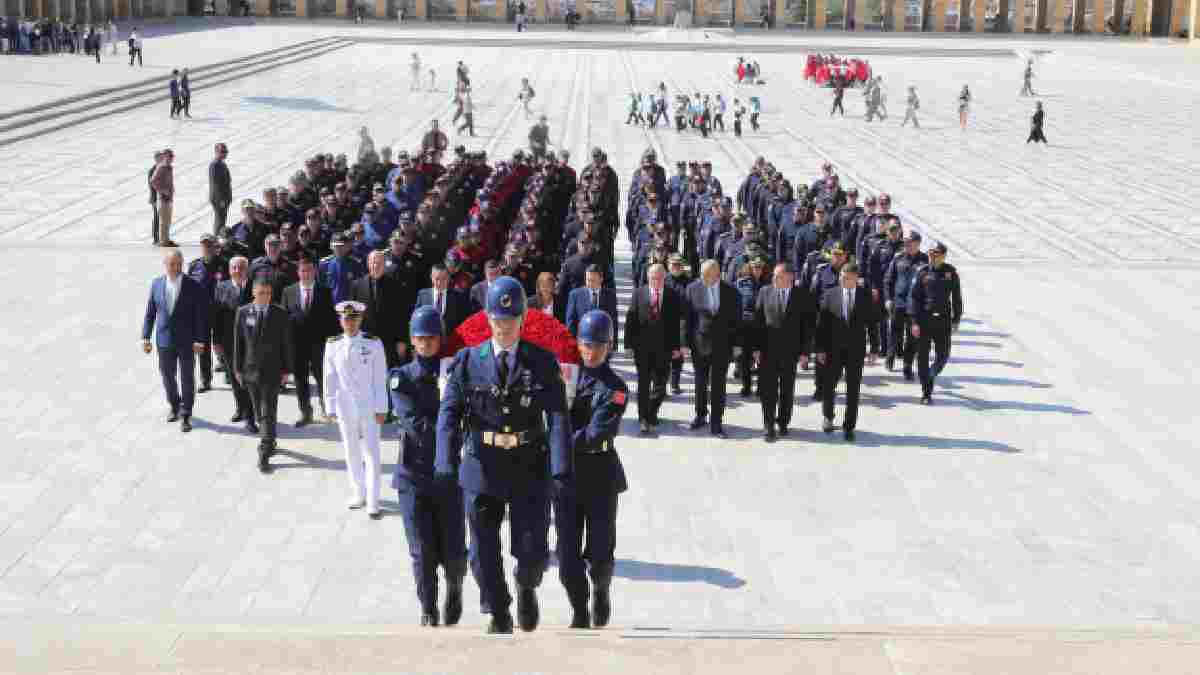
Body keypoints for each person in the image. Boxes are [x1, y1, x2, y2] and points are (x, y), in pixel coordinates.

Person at [435, 277, 572, 634]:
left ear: (522, 320)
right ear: (488, 320)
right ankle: (498, 609)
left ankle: (526, 587)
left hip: (528, 463)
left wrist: (560, 467)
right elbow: (449, 414)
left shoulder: (541, 361)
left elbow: (557, 415)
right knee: (481, 552)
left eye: (511, 321)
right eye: (498, 320)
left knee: (533, 551)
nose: (505, 327)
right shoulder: (468, 361)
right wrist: (444, 461)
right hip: (482, 463)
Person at [389, 306, 468, 627]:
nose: (426, 343)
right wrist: (451, 430)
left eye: (431, 338)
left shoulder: (455, 374)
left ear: (440, 338)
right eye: (420, 338)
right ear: (412, 340)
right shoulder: (401, 377)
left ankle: (454, 590)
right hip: (414, 475)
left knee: (453, 550)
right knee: (421, 550)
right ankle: (429, 607)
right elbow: (414, 424)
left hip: (448, 475)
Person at [554, 310, 628, 629]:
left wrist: (559, 436)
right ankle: (579, 608)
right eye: (585, 344)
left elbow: (598, 431)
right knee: (567, 556)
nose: (591, 351)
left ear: (609, 345)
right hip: (567, 477)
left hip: (600, 474)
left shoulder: (617, 387)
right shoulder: (566, 376)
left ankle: (600, 589)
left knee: (599, 553)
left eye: (598, 345)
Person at [324, 301, 390, 518]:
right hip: (344, 405)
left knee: (371, 452)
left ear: (361, 319)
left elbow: (380, 378)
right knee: (351, 450)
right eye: (346, 319)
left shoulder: (373, 343)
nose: (350, 323)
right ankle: (358, 493)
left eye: (354, 319)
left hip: (369, 404)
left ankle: (373, 499)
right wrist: (330, 405)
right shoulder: (332, 344)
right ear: (340, 320)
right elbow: (329, 378)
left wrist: (382, 407)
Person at [142, 249, 209, 433]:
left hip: (187, 341)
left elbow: (200, 317)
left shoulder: (193, 285)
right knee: (167, 375)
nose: (175, 267)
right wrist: (145, 336)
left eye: (178, 264)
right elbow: (150, 313)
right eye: (171, 264)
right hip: (164, 340)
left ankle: (186, 413)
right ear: (165, 265)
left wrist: (199, 340)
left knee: (187, 377)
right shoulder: (156, 284)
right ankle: (174, 404)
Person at [233, 275, 294, 473]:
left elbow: (287, 343)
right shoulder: (243, 312)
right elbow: (238, 343)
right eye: (261, 293)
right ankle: (270, 438)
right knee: (260, 413)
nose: (265, 297)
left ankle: (264, 451)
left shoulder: (279, 313)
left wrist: (287, 370)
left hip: (272, 371)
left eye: (268, 293)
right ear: (253, 292)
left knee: (267, 410)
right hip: (250, 371)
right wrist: (237, 368)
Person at [815, 263, 876, 442]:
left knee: (853, 390)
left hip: (855, 351)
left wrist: (874, 348)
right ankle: (828, 417)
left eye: (847, 277)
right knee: (828, 386)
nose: (843, 279)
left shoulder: (865, 296)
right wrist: (819, 349)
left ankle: (849, 426)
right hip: (832, 350)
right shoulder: (829, 295)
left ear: (856, 278)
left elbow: (872, 324)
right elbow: (821, 325)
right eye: (841, 275)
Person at [753, 262, 811, 442]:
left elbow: (807, 327)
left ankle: (783, 421)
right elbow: (758, 322)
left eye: (778, 276)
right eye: (774, 276)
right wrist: (755, 348)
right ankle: (768, 425)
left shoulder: (801, 295)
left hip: (790, 352)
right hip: (768, 350)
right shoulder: (765, 292)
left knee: (787, 389)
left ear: (789, 277)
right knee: (768, 391)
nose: (774, 279)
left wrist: (805, 352)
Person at [683, 259, 739, 439]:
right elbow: (687, 318)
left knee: (718, 385)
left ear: (717, 274)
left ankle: (716, 422)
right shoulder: (693, 288)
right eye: (702, 274)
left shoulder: (730, 291)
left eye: (707, 275)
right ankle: (700, 415)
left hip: (722, 345)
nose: (703, 278)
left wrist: (737, 344)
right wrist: (685, 343)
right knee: (700, 383)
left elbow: (737, 319)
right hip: (699, 345)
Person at [624, 263, 681, 435]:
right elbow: (630, 320)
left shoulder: (672, 295)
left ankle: (651, 411)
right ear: (648, 277)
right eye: (652, 277)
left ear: (665, 277)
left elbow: (676, 324)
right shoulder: (638, 293)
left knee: (661, 386)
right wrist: (628, 345)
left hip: (664, 349)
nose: (655, 281)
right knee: (643, 384)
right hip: (642, 348)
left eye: (659, 277)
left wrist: (677, 347)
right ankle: (643, 418)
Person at [282, 252, 337, 427]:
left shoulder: (325, 291)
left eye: (309, 271)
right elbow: (284, 319)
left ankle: (325, 408)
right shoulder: (288, 291)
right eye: (303, 271)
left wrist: (333, 344)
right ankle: (305, 412)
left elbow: (331, 320)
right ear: (298, 272)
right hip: (297, 345)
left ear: (314, 272)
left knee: (322, 378)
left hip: (319, 345)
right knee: (300, 379)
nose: (306, 274)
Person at [909, 241, 963, 405]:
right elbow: (914, 298)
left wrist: (956, 319)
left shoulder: (951, 272)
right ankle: (926, 392)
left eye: (936, 254)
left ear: (943, 256)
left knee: (943, 355)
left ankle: (931, 374)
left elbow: (957, 298)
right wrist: (914, 322)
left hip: (943, 321)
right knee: (922, 358)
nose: (932, 257)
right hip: (924, 321)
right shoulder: (922, 272)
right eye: (931, 254)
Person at [213, 257, 254, 428]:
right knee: (233, 377)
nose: (237, 270)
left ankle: (251, 416)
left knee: (249, 380)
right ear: (230, 270)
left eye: (241, 267)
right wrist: (216, 341)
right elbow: (216, 316)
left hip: (250, 342)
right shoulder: (222, 287)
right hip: (229, 342)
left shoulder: (255, 287)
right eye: (234, 267)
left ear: (247, 270)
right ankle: (240, 408)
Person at [416, 264, 473, 336]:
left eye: (444, 279)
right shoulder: (423, 295)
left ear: (449, 278)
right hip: (428, 340)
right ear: (431, 278)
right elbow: (416, 319)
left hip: (451, 341)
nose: (440, 283)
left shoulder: (458, 297)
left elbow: (465, 321)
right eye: (437, 279)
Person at [564, 264, 616, 339]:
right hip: (582, 341)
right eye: (588, 280)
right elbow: (570, 322)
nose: (590, 283)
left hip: (602, 342)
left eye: (593, 280)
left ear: (601, 279)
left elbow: (613, 320)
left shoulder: (610, 296)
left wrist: (613, 344)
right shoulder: (575, 295)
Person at [150, 149, 176, 247]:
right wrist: (162, 190)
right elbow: (153, 181)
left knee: (167, 221)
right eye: (170, 156)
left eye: (172, 156)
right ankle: (163, 241)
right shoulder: (161, 167)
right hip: (162, 198)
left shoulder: (169, 167)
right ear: (165, 156)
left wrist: (172, 189)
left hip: (168, 198)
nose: (171, 158)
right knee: (163, 221)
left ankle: (166, 239)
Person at [209, 143, 232, 237]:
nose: (224, 154)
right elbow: (216, 184)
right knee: (220, 220)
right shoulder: (214, 165)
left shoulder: (221, 163)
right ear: (216, 152)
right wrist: (221, 199)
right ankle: (216, 239)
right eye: (222, 152)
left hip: (224, 198)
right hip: (219, 198)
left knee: (222, 219)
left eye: (225, 152)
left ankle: (219, 238)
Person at [148, 151, 162, 245]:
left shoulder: (161, 168)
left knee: (161, 218)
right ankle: (155, 238)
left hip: (161, 197)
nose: (161, 159)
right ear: (156, 159)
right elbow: (151, 185)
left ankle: (160, 237)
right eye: (159, 158)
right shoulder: (153, 170)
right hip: (155, 198)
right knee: (157, 218)